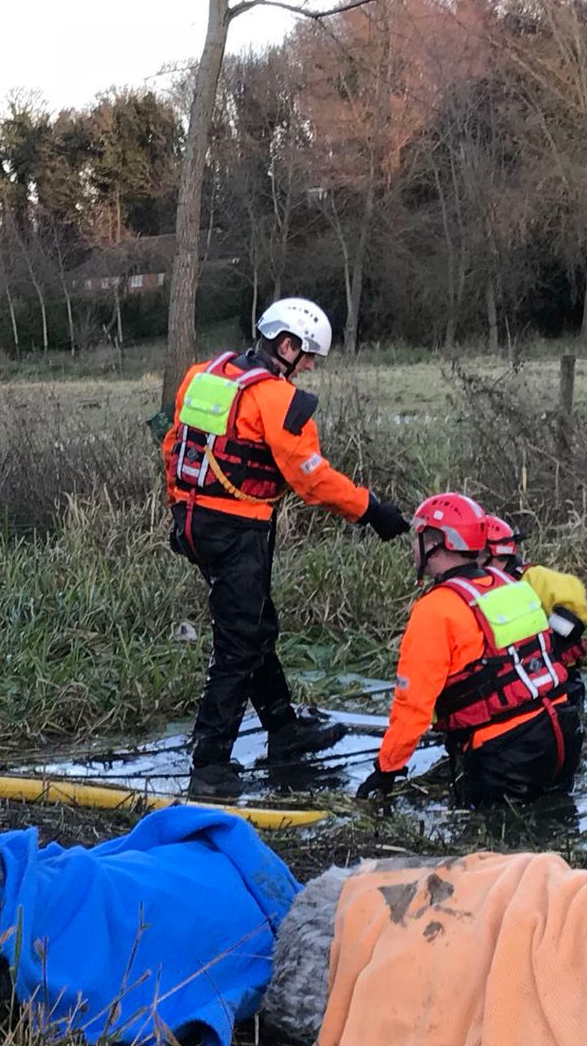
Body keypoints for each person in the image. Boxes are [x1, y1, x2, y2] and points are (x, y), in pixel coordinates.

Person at [164, 297, 412, 799]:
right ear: (286, 346)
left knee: (255, 628)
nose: (312, 367)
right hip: (238, 531)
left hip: (192, 523)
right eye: (309, 356)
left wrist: (185, 506)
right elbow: (313, 481)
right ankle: (209, 764)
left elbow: (175, 442)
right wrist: (372, 511)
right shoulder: (277, 400)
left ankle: (282, 729)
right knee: (238, 646)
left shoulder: (203, 375)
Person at [356, 493, 583, 808]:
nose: (413, 547)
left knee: (492, 850)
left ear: (436, 542)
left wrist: (386, 770)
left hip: (507, 755)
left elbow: (413, 708)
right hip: (565, 734)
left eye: (418, 537)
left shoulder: (435, 610)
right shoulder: (509, 584)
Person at [482, 515, 587, 670]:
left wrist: (544, 643)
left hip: (555, 675)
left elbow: (575, 615)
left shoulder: (531, 578)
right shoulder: (480, 586)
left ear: (486, 554)